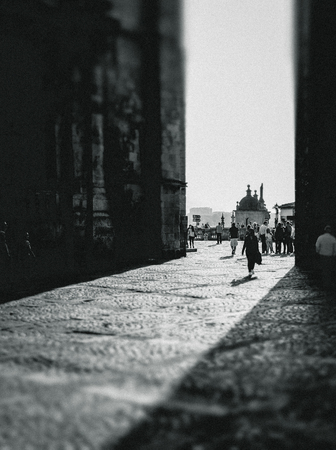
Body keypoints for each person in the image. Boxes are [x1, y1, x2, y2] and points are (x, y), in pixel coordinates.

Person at [315, 225, 336, 291]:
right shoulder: (333, 238)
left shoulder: (320, 238)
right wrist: (333, 254)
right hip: (330, 256)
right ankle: (328, 283)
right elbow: (335, 249)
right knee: (329, 270)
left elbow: (317, 246)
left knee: (323, 269)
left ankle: (324, 283)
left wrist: (318, 252)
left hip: (322, 256)